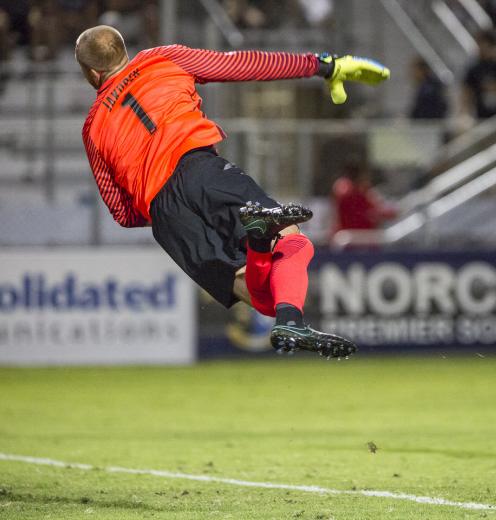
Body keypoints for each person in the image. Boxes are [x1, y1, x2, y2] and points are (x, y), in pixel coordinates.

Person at [75, 25, 389, 358]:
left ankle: (287, 316)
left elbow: (121, 212)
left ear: (93, 73)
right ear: (124, 50)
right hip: (201, 170)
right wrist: (322, 65)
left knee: (264, 300)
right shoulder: (163, 59)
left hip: (164, 214)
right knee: (291, 239)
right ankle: (269, 264)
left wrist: (158, 202)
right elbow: (242, 64)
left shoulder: (93, 128)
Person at [331, 160, 397, 237]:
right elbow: (372, 211)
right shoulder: (349, 190)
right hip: (357, 239)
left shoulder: (356, 189)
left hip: (356, 237)